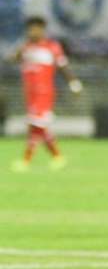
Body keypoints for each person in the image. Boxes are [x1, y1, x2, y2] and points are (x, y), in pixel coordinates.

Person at [10, 16, 82, 172]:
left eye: (36, 28)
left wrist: (74, 83)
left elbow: (63, 66)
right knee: (39, 127)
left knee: (35, 126)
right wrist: (18, 51)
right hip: (29, 93)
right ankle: (57, 157)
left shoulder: (51, 46)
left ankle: (26, 160)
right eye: (30, 28)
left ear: (42, 30)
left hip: (43, 92)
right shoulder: (26, 47)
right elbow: (11, 59)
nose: (33, 31)